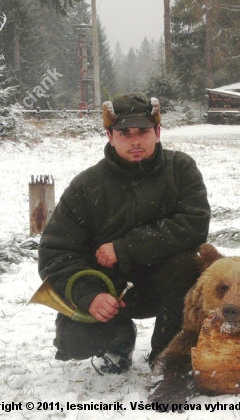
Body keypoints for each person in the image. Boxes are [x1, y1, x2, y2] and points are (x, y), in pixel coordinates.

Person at [38, 94, 211, 374]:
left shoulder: (180, 169)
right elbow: (56, 252)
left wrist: (125, 248)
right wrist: (90, 296)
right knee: (74, 341)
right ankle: (119, 340)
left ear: (157, 132)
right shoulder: (86, 186)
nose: (135, 141)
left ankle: (167, 355)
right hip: (108, 287)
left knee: (189, 265)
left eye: (143, 131)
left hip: (166, 283)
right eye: (124, 133)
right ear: (109, 135)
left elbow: (194, 225)